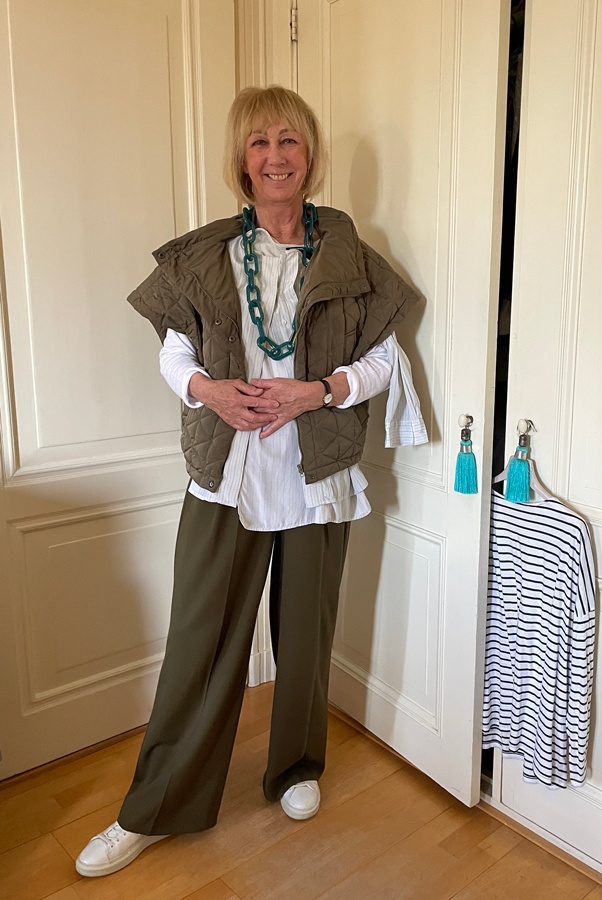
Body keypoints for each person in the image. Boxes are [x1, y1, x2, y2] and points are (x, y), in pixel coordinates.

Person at [75, 85, 427, 878]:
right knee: (201, 641)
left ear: (310, 155)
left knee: (305, 632)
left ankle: (297, 767)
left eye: (290, 140)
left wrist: (318, 390)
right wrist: (208, 391)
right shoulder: (204, 254)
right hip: (226, 469)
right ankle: (156, 806)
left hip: (315, 468)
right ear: (241, 158)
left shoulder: (347, 255)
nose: (276, 155)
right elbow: (174, 349)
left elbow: (382, 360)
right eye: (260, 141)